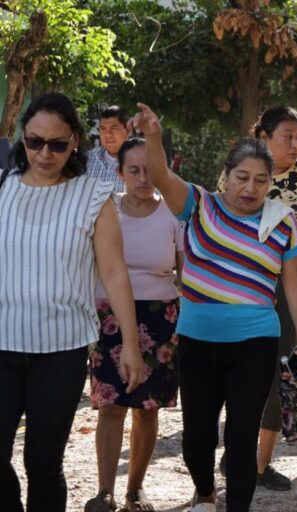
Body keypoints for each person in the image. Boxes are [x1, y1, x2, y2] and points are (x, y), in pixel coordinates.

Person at [129, 103, 297, 512]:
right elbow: (160, 174)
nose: (250, 188)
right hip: (199, 340)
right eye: (242, 177)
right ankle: (206, 491)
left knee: (241, 438)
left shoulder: (282, 222)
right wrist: (154, 137)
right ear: (226, 175)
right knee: (197, 439)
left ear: (270, 184)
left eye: (261, 181)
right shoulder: (198, 204)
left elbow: (294, 285)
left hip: (256, 342)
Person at [0, 92, 143, 512]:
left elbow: (114, 273)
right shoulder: (2, 187)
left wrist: (131, 345)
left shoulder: (93, 196)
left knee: (43, 463)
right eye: (34, 141)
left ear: (76, 141)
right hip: (1, 345)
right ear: (22, 137)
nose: (44, 153)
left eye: (57, 144)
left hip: (61, 349)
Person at [84, 138, 185, 512]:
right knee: (110, 406)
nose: (144, 178)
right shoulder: (103, 211)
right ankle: (105, 492)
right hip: (109, 316)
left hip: (161, 319)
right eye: (134, 170)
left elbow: (186, 274)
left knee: (147, 408)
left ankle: (134, 491)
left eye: (150, 170)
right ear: (119, 173)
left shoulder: (174, 214)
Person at [252, 105, 297, 488]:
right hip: (247, 285)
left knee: (284, 372)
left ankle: (261, 464)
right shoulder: (243, 172)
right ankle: (241, 453)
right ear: (263, 137)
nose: (296, 144)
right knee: (248, 373)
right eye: (287, 136)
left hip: (294, 286)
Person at [87, 106, 130, 193]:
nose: (108, 134)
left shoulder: (141, 162)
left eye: (114, 128)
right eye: (103, 129)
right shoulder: (87, 159)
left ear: (128, 131)